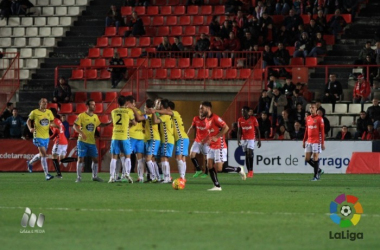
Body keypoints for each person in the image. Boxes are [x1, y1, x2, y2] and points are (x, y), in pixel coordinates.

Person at [200, 101, 246, 191]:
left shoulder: (216, 118)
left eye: (202, 108)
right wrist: (206, 140)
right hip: (211, 146)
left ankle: (238, 169)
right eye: (200, 108)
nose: (200, 110)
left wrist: (217, 137)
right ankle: (217, 186)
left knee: (220, 168)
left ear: (208, 108)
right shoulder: (206, 120)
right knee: (209, 165)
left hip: (219, 146)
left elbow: (226, 128)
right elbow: (211, 132)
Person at [73, 99, 112, 182]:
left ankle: (94, 176)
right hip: (82, 141)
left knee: (95, 159)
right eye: (92, 104)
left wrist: (108, 124)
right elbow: (75, 126)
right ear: (87, 106)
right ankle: (79, 177)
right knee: (81, 159)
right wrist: (81, 133)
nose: (94, 106)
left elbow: (99, 124)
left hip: (91, 142)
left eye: (94, 104)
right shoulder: (81, 115)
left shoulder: (95, 116)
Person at [151, 101, 190, 181]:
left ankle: (181, 177)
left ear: (169, 108)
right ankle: (182, 177)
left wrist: (155, 111)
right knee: (182, 157)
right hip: (180, 138)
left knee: (178, 157)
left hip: (181, 137)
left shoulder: (174, 113)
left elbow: (163, 114)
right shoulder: (169, 117)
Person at [129, 99, 161, 182]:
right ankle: (157, 177)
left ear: (147, 107)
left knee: (148, 158)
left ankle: (154, 177)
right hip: (148, 139)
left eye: (145, 108)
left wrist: (133, 108)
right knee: (152, 159)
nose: (144, 110)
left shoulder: (151, 115)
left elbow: (139, 118)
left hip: (154, 139)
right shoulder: (149, 115)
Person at [26, 98, 58, 180]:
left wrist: (56, 126)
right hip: (37, 136)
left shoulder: (49, 112)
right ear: (40, 103)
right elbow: (28, 121)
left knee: (41, 154)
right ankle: (47, 174)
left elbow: (51, 122)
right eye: (43, 102)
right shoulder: (34, 112)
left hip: (46, 137)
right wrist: (30, 128)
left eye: (46, 102)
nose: (45, 104)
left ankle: (30, 163)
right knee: (44, 154)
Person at [151, 99, 175, 183]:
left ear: (161, 106)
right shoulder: (164, 115)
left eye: (158, 104)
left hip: (167, 140)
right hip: (166, 140)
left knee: (164, 158)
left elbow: (155, 121)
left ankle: (166, 178)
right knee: (163, 159)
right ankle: (166, 177)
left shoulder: (165, 116)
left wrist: (153, 112)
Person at [303, 103, 325, 181]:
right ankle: (319, 170)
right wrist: (304, 141)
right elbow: (306, 130)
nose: (311, 109)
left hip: (316, 141)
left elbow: (322, 131)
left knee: (315, 158)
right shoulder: (308, 118)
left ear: (316, 109)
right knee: (307, 158)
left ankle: (316, 176)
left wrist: (322, 143)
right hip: (309, 141)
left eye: (312, 107)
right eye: (310, 107)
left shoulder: (319, 119)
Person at [237, 106, 261, 178]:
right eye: (241, 111)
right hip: (243, 139)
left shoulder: (253, 119)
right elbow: (239, 131)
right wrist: (238, 140)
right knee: (246, 155)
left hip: (251, 139)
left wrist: (259, 140)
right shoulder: (240, 120)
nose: (242, 113)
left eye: (244, 111)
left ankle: (251, 170)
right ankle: (249, 171)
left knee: (250, 153)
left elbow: (258, 130)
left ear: (248, 112)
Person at [187, 107, 210, 178]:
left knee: (206, 157)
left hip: (205, 141)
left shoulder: (208, 120)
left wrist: (207, 139)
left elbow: (211, 131)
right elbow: (192, 128)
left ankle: (206, 172)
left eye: (202, 110)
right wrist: (186, 136)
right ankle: (198, 170)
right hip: (197, 140)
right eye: (200, 109)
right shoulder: (195, 118)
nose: (201, 111)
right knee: (191, 155)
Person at [128, 96, 146, 182]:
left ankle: (125, 175)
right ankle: (141, 177)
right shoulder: (140, 112)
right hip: (140, 136)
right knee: (140, 158)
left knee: (126, 156)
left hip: (132, 136)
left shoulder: (128, 112)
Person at [49, 108, 67, 178]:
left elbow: (56, 131)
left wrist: (50, 138)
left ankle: (59, 174)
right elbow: (64, 129)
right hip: (64, 141)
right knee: (61, 159)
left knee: (54, 157)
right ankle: (76, 159)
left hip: (59, 141)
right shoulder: (58, 120)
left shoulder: (53, 121)